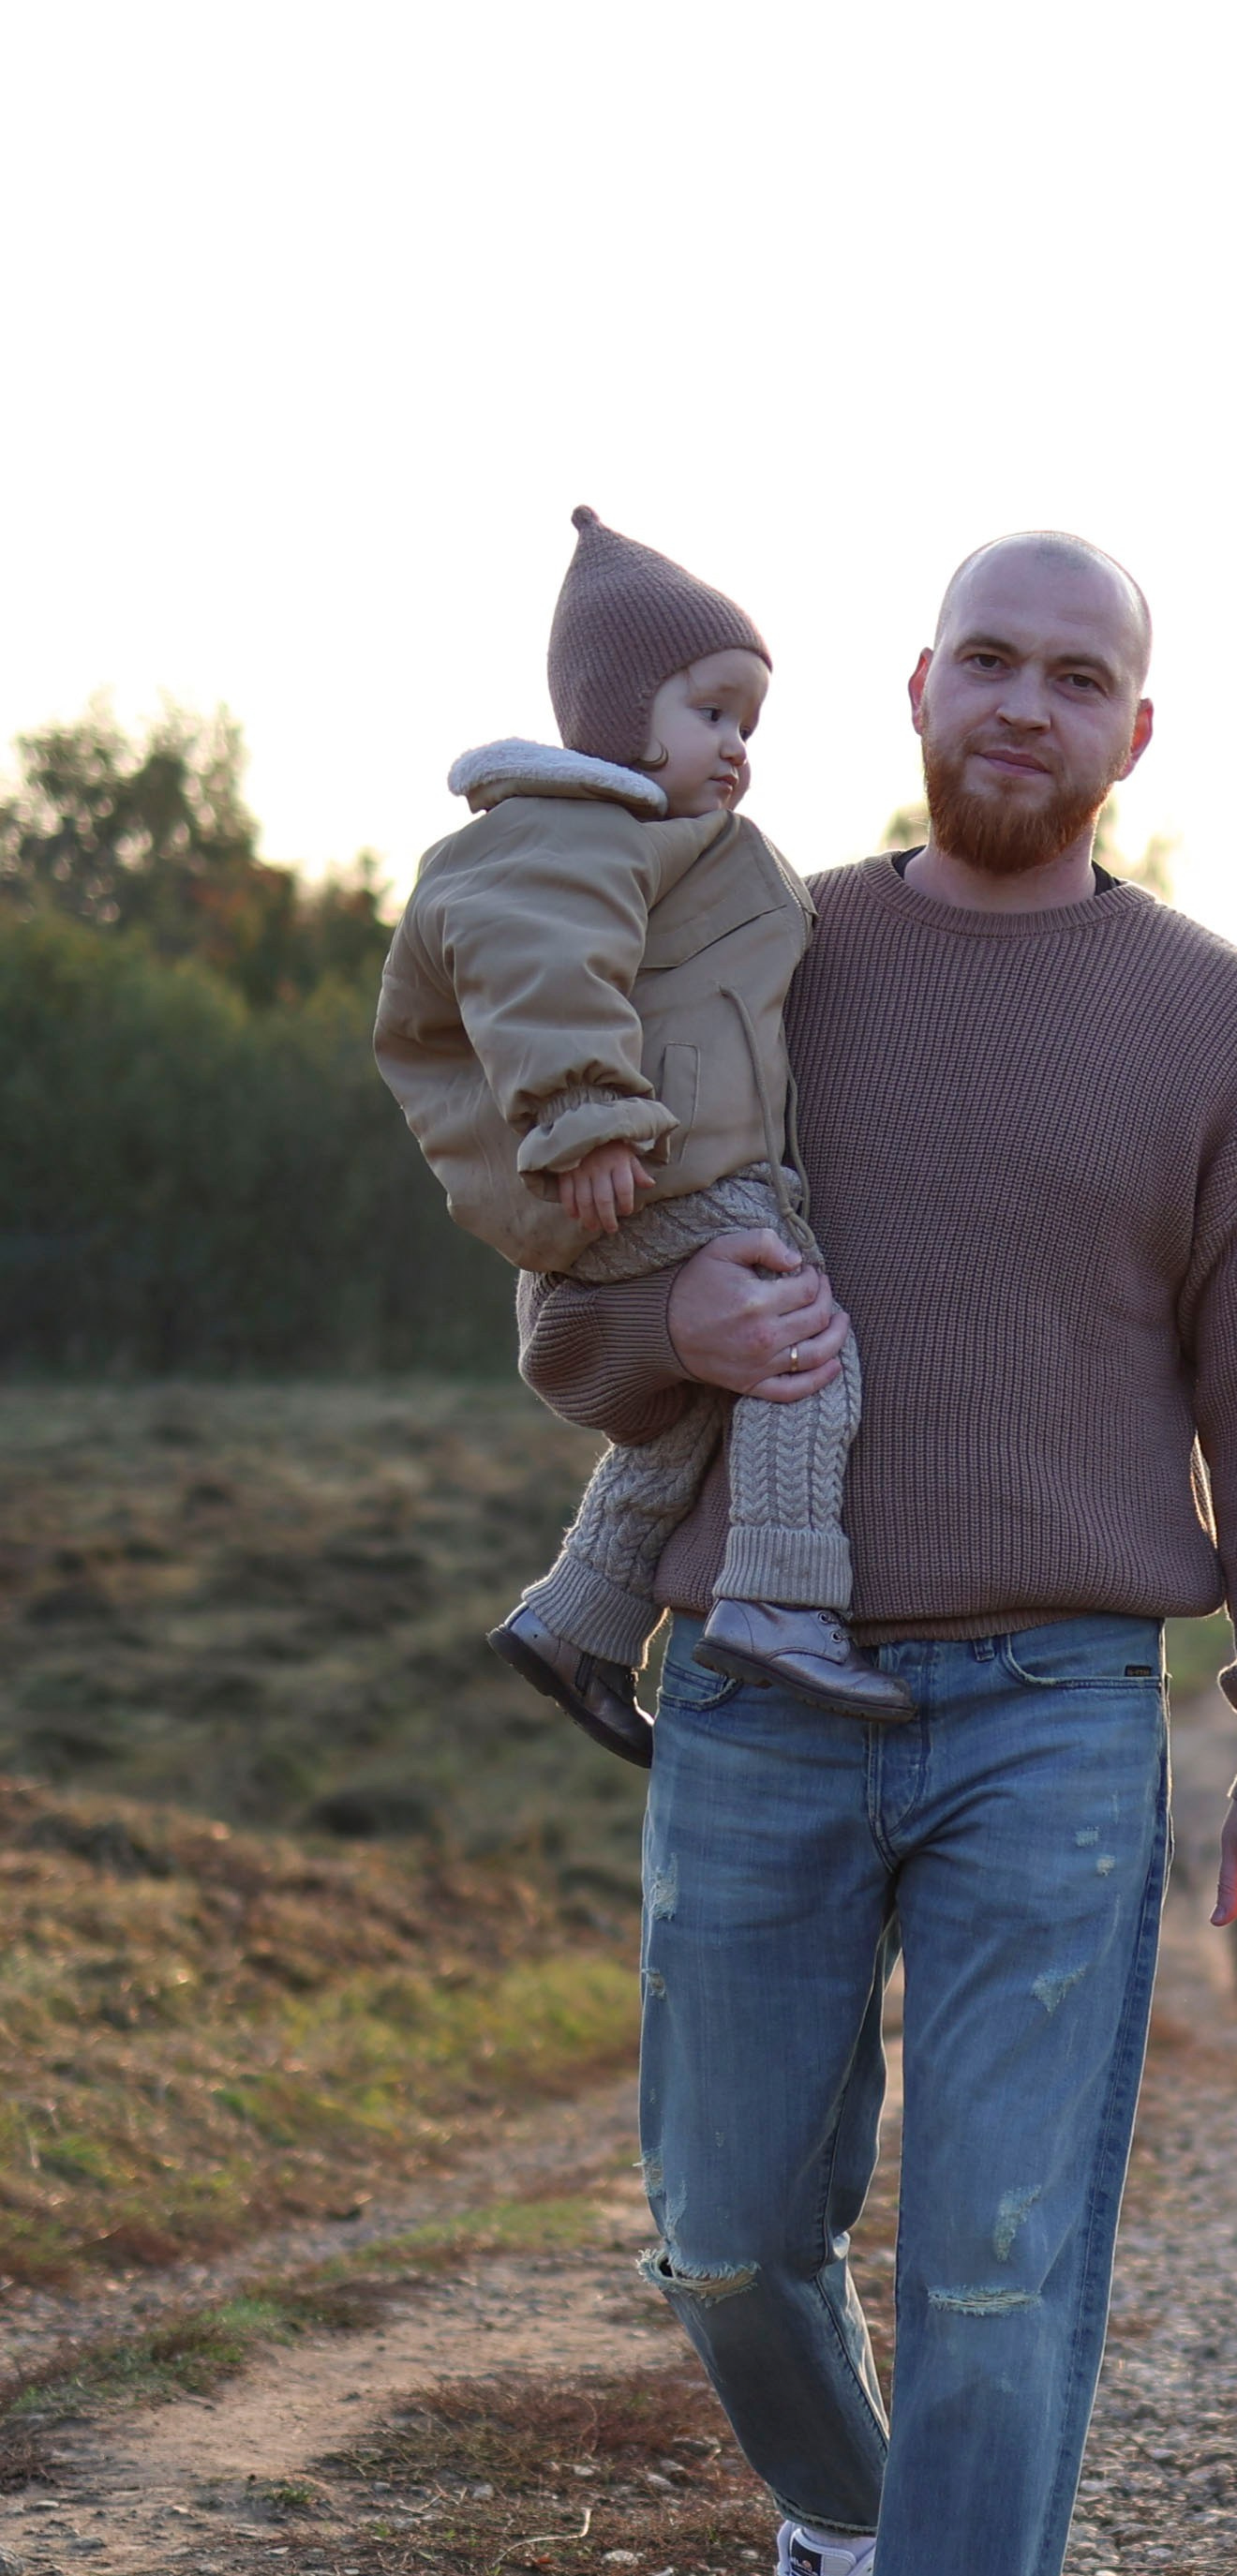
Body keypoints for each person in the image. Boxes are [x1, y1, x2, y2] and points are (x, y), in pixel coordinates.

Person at [520, 532, 1237, 2576]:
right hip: (763, 1683)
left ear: (1135, 735)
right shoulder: (751, 955)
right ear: (913, 686)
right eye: (986, 659)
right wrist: (665, 1311)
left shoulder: (1222, 1032)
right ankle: (840, 2506)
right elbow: (572, 1289)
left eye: (1076, 675)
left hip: (1058, 1715)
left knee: (1008, 2253)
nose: (1024, 703)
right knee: (720, 2224)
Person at [375, 505, 910, 1746]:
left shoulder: (644, 844)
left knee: (692, 1408)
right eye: (710, 713)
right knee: (802, 1352)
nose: (735, 747)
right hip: (650, 1169)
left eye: (748, 725)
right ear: (621, 714)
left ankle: (578, 1618)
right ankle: (778, 1602)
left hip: (651, 1165)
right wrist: (587, 1117)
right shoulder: (559, 835)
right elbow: (537, 970)